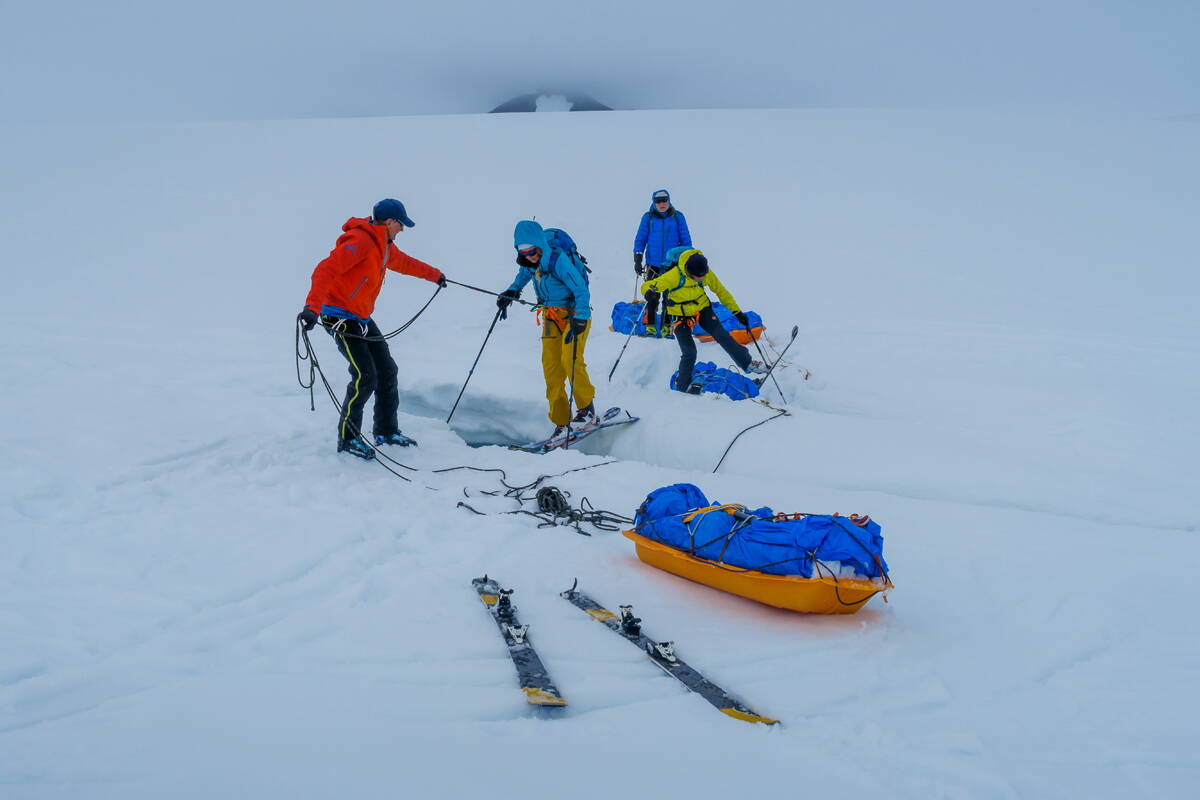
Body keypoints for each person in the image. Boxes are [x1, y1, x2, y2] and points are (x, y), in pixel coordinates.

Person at [298, 198, 447, 459]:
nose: (402, 230)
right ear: (390, 222)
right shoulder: (360, 241)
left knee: (387, 370)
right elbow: (325, 270)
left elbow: (406, 263)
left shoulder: (384, 245)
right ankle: (348, 438)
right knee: (365, 375)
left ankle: (386, 431)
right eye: (401, 225)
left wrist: (434, 275)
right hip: (339, 317)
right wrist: (313, 307)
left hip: (362, 318)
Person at [496, 220, 597, 440]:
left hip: (575, 315)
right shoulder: (528, 263)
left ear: (540, 245)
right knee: (551, 368)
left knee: (570, 359)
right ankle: (561, 422)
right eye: (523, 252)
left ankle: (586, 410)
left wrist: (581, 317)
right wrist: (511, 292)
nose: (529, 256)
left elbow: (580, 288)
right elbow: (522, 277)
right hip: (551, 316)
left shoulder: (558, 260)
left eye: (532, 251)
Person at [639, 248, 768, 393]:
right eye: (698, 277)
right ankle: (682, 386)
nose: (702, 279)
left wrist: (737, 313)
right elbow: (647, 286)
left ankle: (748, 363)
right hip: (680, 315)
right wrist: (649, 293)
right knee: (689, 352)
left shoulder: (705, 272)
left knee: (722, 335)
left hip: (702, 309)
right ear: (688, 272)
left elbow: (721, 292)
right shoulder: (674, 276)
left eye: (703, 275)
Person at [633, 189, 692, 337]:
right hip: (653, 264)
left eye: (664, 200)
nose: (662, 203)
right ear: (654, 202)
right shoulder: (648, 218)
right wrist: (638, 258)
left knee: (669, 297)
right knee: (652, 295)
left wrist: (687, 259)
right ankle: (650, 325)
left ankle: (667, 326)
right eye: (658, 201)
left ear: (669, 200)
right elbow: (641, 238)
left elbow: (686, 240)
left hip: (672, 264)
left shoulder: (678, 217)